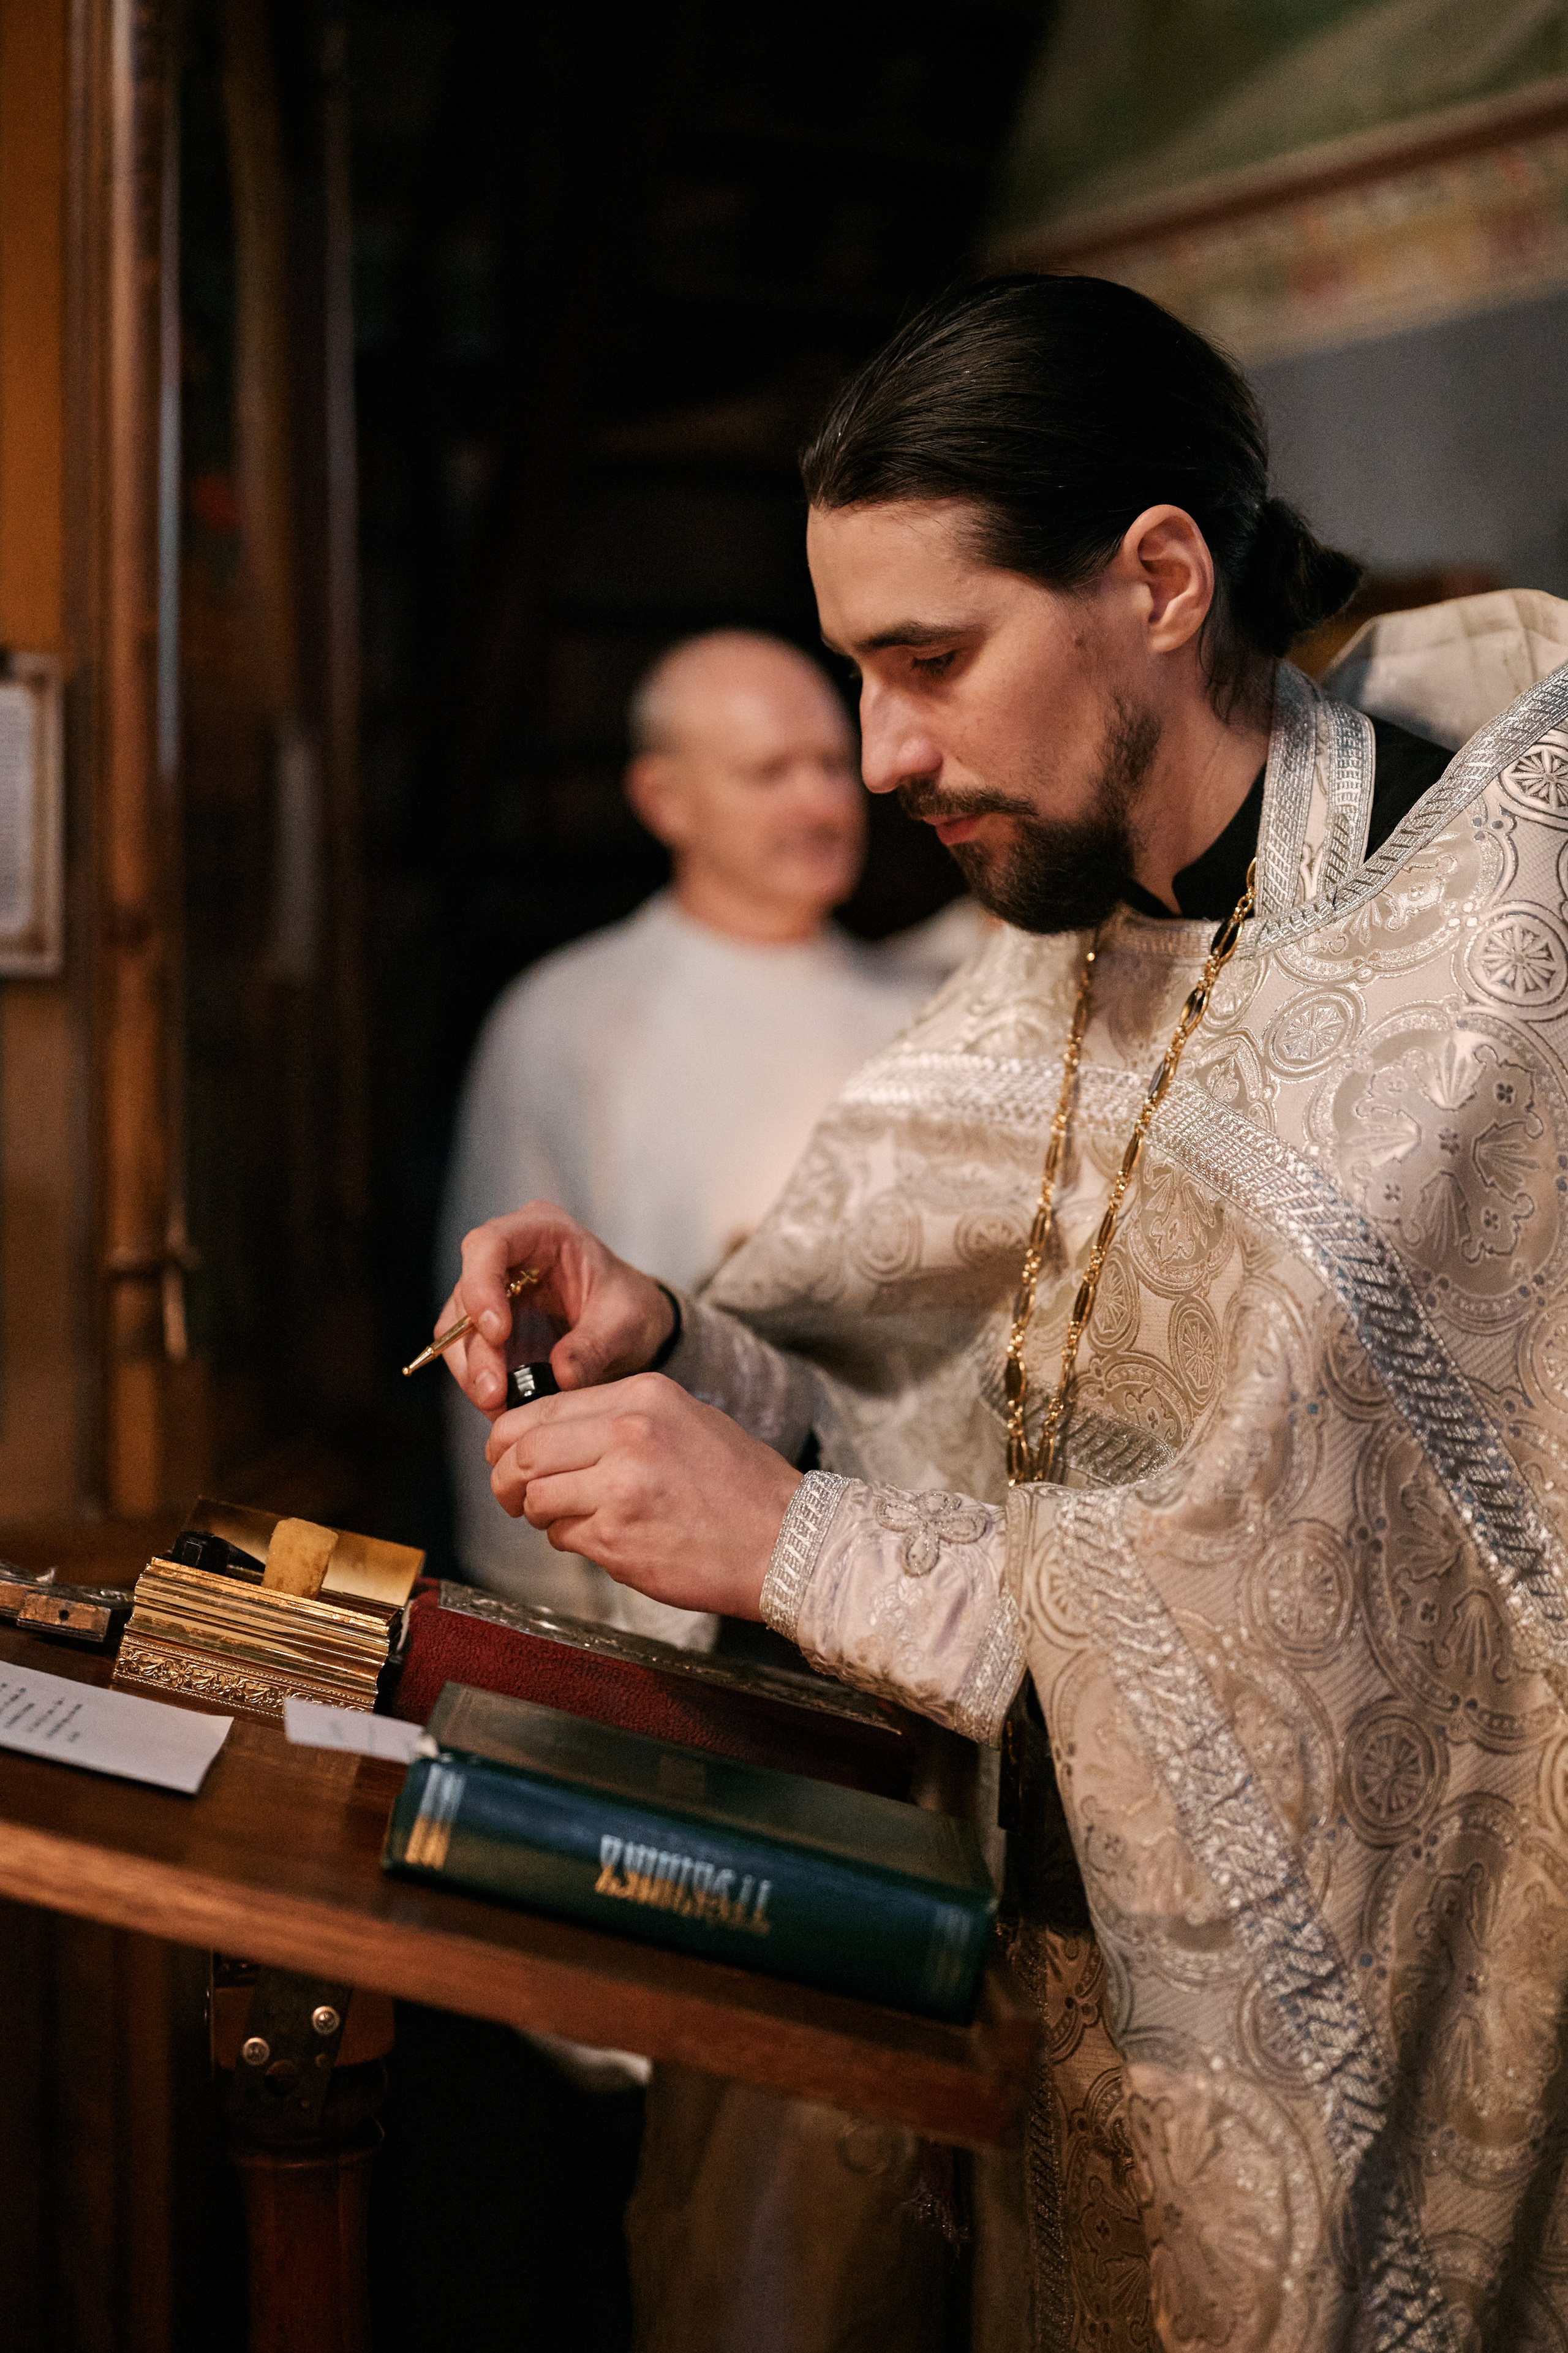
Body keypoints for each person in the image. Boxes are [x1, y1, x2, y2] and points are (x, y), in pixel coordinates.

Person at [440, 274, 1568, 2347]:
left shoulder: (1484, 962)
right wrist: (679, 1336)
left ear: (1156, 577)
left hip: (1348, 2084)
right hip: (1033, 2043)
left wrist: (787, 1542)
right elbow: (934, 1359)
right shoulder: (1065, 926)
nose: (881, 756)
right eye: (854, 671)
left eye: (927, 660)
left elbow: (1349, 1652)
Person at [439, 627, 923, 1644]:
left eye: (834, 764)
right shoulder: (568, 1018)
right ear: (665, 797)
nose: (822, 802)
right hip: (634, 1609)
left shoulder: (929, 1011)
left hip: (875, 1582)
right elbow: (501, 1331)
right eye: (770, 772)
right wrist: (541, 1609)